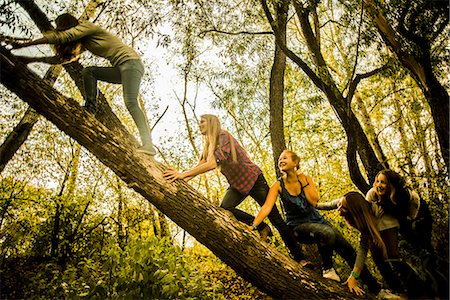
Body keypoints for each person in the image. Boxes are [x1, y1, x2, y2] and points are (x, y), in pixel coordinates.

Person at [163, 114, 305, 262]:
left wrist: (181, 175)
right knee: (225, 208)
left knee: (276, 219)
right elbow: (201, 164)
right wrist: (181, 177)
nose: (199, 125)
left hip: (254, 179)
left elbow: (212, 164)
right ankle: (262, 227)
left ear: (211, 123)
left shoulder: (222, 136)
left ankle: (300, 258)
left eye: (202, 122)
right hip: (237, 184)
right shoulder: (208, 145)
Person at [9, 13, 156, 155]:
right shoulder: (85, 40)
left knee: (131, 102)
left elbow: (63, 37)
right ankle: (90, 109)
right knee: (89, 72)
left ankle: (148, 145)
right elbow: (63, 59)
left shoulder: (88, 27)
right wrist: (32, 59)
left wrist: (25, 44)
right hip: (122, 68)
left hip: (130, 63)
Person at [248, 150, 380, 291]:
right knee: (327, 233)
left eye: (284, 158)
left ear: (295, 162)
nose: (280, 160)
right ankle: (327, 268)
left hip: (318, 220)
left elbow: (314, 201)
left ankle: (376, 289)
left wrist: (304, 182)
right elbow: (267, 206)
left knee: (349, 251)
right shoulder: (278, 185)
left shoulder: (306, 179)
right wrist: (254, 225)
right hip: (298, 227)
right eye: (279, 159)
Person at [318, 192, 408, 298]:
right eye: (339, 205)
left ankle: (404, 292)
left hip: (386, 228)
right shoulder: (345, 202)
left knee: (387, 258)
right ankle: (394, 289)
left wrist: (354, 277)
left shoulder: (364, 220)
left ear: (353, 212)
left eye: (343, 208)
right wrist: (312, 203)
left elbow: (362, 249)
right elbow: (329, 205)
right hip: (373, 229)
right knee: (378, 259)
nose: (339, 208)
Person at [367, 169, 433, 254]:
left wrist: (411, 217)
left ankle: (430, 257)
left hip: (419, 214)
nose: (379, 185)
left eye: (383, 182)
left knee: (422, 240)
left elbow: (414, 204)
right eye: (377, 181)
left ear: (391, 185)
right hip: (399, 217)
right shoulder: (372, 194)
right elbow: (368, 213)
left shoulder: (405, 194)